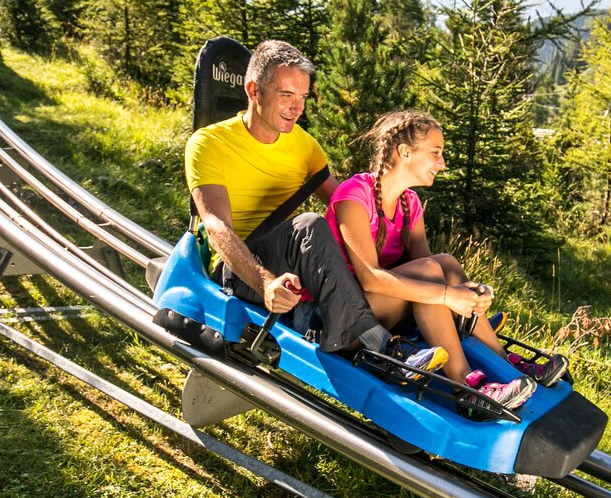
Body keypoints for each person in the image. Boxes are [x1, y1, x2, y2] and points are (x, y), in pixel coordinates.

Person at [184, 40, 438, 371]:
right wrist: (264, 283)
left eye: (302, 97)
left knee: (321, 227)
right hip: (241, 271)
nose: (297, 107)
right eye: (286, 95)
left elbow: (347, 203)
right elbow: (217, 226)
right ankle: (379, 344)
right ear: (254, 90)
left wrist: (391, 253)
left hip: (295, 268)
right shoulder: (209, 143)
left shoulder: (305, 147)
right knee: (309, 224)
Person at [326, 110, 568, 411]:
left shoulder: (408, 202)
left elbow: (434, 268)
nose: (442, 163)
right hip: (349, 319)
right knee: (431, 272)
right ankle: (466, 384)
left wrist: (468, 292)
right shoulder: (354, 194)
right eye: (435, 153)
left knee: (446, 263)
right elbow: (370, 278)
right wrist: (447, 295)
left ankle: (506, 364)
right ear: (404, 152)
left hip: (384, 307)